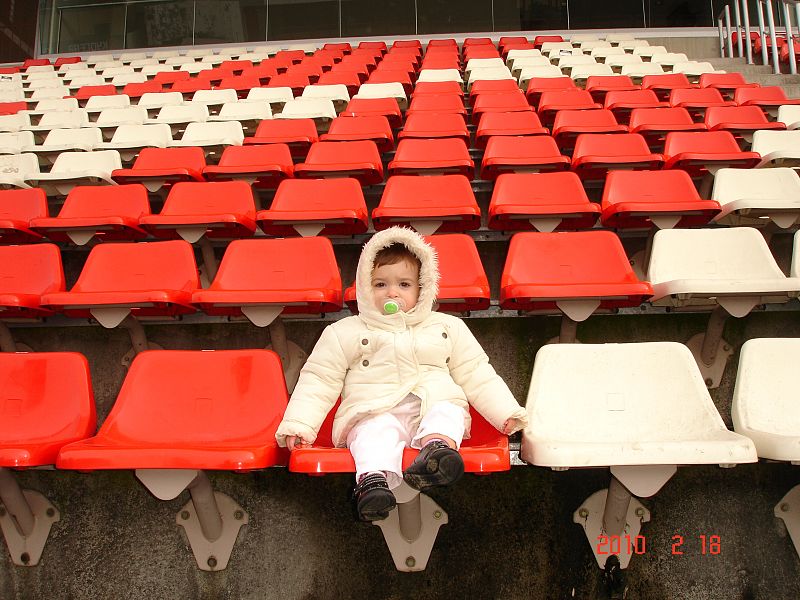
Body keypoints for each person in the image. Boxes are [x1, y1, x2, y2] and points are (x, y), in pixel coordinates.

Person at [275, 226, 527, 521]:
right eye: (381, 284)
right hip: (375, 409)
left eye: (404, 284)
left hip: (430, 404)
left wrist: (505, 412)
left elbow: (476, 372)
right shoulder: (344, 332)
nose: (392, 292)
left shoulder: (447, 327)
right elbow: (319, 379)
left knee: (450, 412)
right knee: (370, 432)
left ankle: (437, 452)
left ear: (423, 288)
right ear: (365, 288)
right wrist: (299, 425)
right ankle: (372, 482)